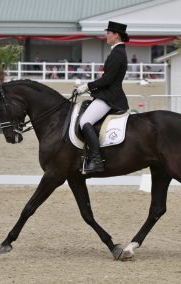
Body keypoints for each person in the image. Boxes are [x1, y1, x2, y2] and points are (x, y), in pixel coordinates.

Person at [75, 21, 130, 174]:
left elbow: (108, 80)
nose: (106, 35)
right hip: (108, 94)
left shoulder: (117, 53)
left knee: (85, 122)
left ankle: (96, 160)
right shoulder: (117, 52)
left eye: (108, 33)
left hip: (109, 97)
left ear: (116, 35)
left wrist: (88, 86)